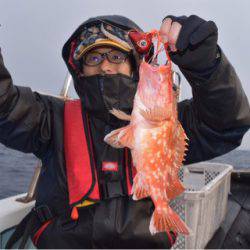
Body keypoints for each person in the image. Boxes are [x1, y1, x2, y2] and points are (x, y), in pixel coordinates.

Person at [1, 14, 250, 249]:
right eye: (94, 58)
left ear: (135, 65)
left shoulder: (170, 120)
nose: (106, 66)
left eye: (116, 57)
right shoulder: (50, 118)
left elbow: (227, 124)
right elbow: (6, 108)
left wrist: (207, 65)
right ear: (80, 70)